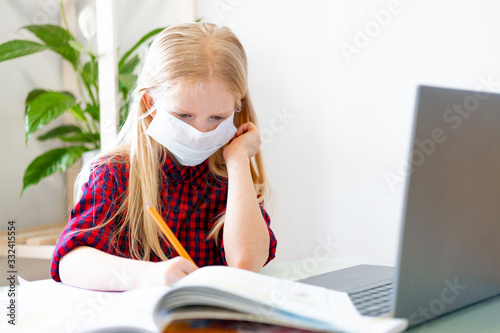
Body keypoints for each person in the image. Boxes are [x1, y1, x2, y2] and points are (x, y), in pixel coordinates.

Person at [50, 22, 277, 291]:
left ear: (236, 111)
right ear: (150, 104)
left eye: (217, 118)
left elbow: (247, 264)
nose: (199, 131)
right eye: (183, 115)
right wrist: (145, 276)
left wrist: (238, 161)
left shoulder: (229, 178)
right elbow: (70, 262)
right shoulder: (114, 173)